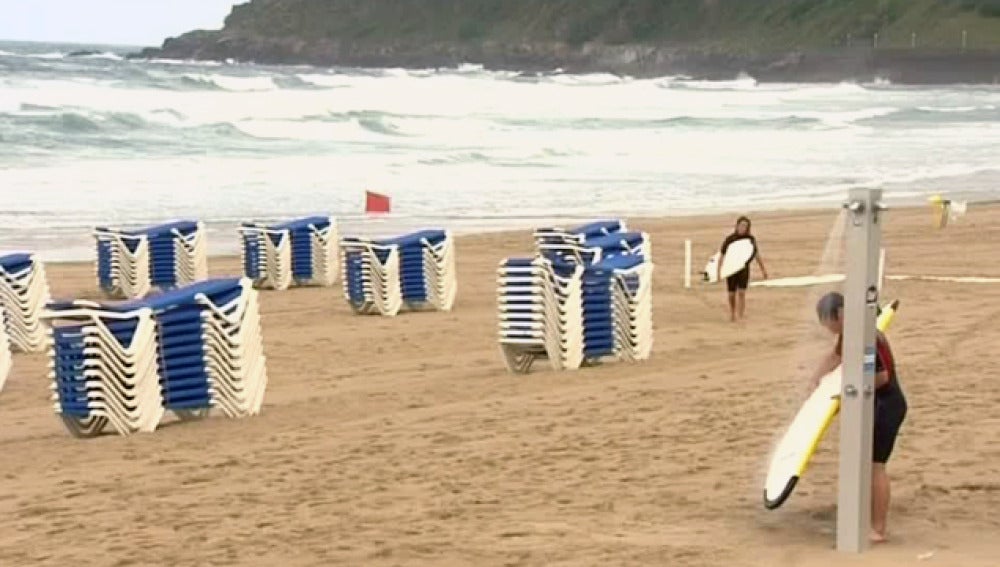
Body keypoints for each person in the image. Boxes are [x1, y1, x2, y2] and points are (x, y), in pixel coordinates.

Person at [810, 292, 908, 543]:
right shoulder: (851, 331)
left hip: (887, 406)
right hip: (873, 403)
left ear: (840, 315)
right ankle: (865, 516)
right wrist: (817, 379)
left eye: (827, 321)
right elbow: (836, 356)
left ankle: (878, 529)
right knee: (864, 464)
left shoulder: (867, 338)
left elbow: (881, 376)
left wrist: (847, 392)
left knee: (876, 467)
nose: (827, 327)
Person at [717, 216, 768, 322]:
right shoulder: (730, 239)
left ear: (748, 228)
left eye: (745, 226)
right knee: (731, 294)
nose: (742, 228)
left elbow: (756, 255)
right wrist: (719, 272)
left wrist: (763, 270)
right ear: (737, 226)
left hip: (743, 269)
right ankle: (732, 312)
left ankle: (740, 314)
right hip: (731, 269)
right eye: (741, 225)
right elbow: (722, 255)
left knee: (741, 293)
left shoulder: (750, 239)